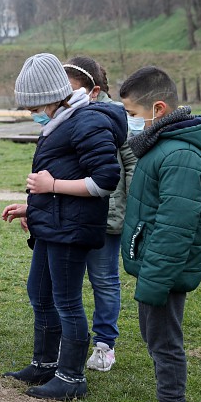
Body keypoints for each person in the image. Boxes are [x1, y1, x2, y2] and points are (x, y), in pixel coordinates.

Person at [1, 53, 126, 400]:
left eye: (34, 106)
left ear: (53, 96)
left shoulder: (87, 122)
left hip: (72, 231)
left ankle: (71, 378)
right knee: (39, 293)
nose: (32, 114)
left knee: (67, 301)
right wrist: (33, 207)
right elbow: (63, 174)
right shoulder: (60, 121)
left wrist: (50, 187)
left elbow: (105, 180)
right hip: (52, 225)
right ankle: (44, 363)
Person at [114, 67, 201, 402]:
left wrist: (154, 280)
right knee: (155, 335)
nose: (128, 121)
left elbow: (175, 230)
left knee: (164, 341)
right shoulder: (162, 147)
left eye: (131, 113)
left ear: (157, 109)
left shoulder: (180, 157)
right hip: (155, 268)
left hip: (164, 271)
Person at [64, 56, 137, 372]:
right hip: (71, 215)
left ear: (93, 90)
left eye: (69, 90)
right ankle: (71, 341)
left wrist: (132, 209)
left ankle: (105, 346)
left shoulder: (116, 118)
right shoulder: (66, 116)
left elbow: (131, 165)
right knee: (67, 280)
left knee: (104, 282)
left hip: (107, 217)